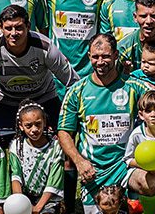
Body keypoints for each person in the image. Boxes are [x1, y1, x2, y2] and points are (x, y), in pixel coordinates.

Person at [0, 6, 79, 136]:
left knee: (62, 136)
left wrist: (70, 118)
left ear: (28, 26)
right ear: (1, 28)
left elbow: (73, 82)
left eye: (19, 27)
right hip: (6, 101)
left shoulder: (45, 47)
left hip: (43, 99)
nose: (13, 33)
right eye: (8, 28)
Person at [58, 33, 140, 201]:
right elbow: (64, 132)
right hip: (94, 171)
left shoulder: (134, 85)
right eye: (95, 57)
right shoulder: (77, 91)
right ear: (89, 56)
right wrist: (79, 162)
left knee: (148, 183)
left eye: (106, 56)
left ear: (116, 55)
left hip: (126, 166)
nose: (100, 62)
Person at [6, 101, 66, 214]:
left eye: (38, 124)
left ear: (44, 122)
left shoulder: (56, 147)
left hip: (47, 201)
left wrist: (38, 208)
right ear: (21, 126)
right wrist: (21, 205)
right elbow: (16, 177)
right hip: (26, 200)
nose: (34, 130)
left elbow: (54, 182)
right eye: (29, 126)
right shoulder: (16, 146)